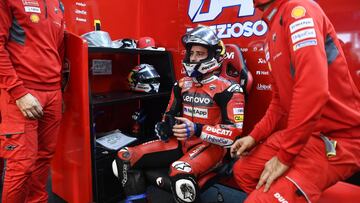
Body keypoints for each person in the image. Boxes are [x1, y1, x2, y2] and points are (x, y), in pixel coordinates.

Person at [230, 0, 360, 202]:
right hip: (307, 133)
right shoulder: (271, 34)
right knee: (243, 171)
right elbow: (279, 103)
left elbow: (313, 90)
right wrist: (254, 136)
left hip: (338, 138)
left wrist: (285, 156)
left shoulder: (299, 10)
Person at [112, 26, 245, 203]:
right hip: (180, 143)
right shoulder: (182, 84)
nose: (194, 58)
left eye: (200, 53)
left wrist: (196, 129)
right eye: (192, 53)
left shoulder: (230, 89)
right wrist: (165, 127)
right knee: (124, 156)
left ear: (214, 55)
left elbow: (233, 135)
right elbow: (168, 115)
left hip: (211, 147)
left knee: (179, 172)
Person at [0, 1, 65, 202]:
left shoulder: (58, 4)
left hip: (53, 92)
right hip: (22, 92)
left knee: (43, 158)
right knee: (21, 165)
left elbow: (59, 50)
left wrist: (60, 90)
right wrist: (18, 93)